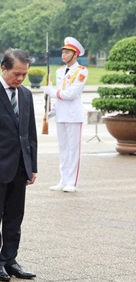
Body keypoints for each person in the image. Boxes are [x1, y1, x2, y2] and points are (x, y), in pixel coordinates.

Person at [0, 48, 38, 282]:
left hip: (20, 167)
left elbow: (30, 133)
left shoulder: (25, 95)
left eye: (24, 74)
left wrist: (32, 166)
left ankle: (11, 259)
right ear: (3, 68)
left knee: (15, 216)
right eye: (16, 74)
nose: (20, 79)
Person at [46, 37, 88, 193]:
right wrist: (53, 110)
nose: (63, 55)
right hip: (61, 115)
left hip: (73, 115)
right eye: (63, 52)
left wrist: (52, 92)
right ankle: (63, 180)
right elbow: (61, 94)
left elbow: (71, 93)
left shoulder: (81, 71)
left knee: (73, 150)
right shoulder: (59, 71)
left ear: (75, 54)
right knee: (63, 149)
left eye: (67, 52)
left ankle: (72, 182)